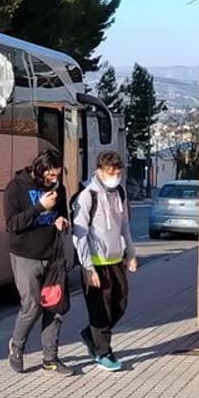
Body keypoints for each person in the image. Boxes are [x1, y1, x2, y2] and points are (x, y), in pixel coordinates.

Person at [4, 149, 72, 375]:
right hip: (25, 255)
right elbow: (13, 224)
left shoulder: (58, 189)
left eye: (57, 176)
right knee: (32, 305)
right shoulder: (17, 187)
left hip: (52, 255)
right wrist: (39, 207)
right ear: (39, 170)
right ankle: (17, 345)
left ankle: (50, 358)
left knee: (55, 306)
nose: (55, 180)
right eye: (50, 176)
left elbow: (62, 214)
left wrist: (62, 220)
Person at [72, 150, 139, 372]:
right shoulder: (87, 196)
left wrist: (130, 254)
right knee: (100, 309)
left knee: (120, 303)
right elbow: (79, 234)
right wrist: (88, 268)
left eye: (118, 172)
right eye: (111, 172)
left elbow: (125, 226)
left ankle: (91, 334)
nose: (115, 176)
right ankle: (103, 352)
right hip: (95, 261)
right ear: (99, 171)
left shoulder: (119, 192)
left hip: (115, 259)